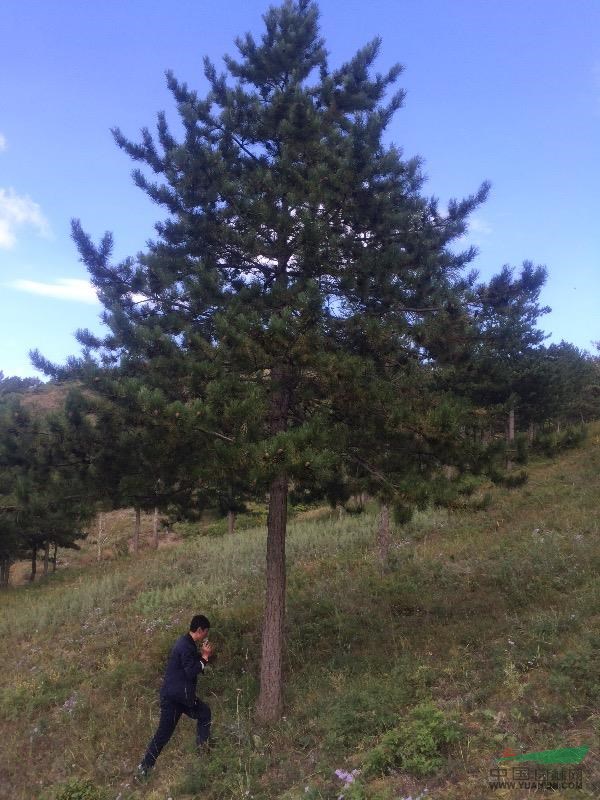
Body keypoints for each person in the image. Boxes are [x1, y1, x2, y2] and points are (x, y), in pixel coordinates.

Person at [137, 614, 214, 778]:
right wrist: (205, 656)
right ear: (200, 630)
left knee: (204, 713)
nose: (206, 635)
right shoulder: (185, 646)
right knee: (163, 734)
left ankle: (202, 752)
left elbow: (191, 667)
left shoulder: (187, 643)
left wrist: (202, 657)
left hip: (181, 697)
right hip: (174, 699)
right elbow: (191, 671)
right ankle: (144, 768)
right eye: (206, 632)